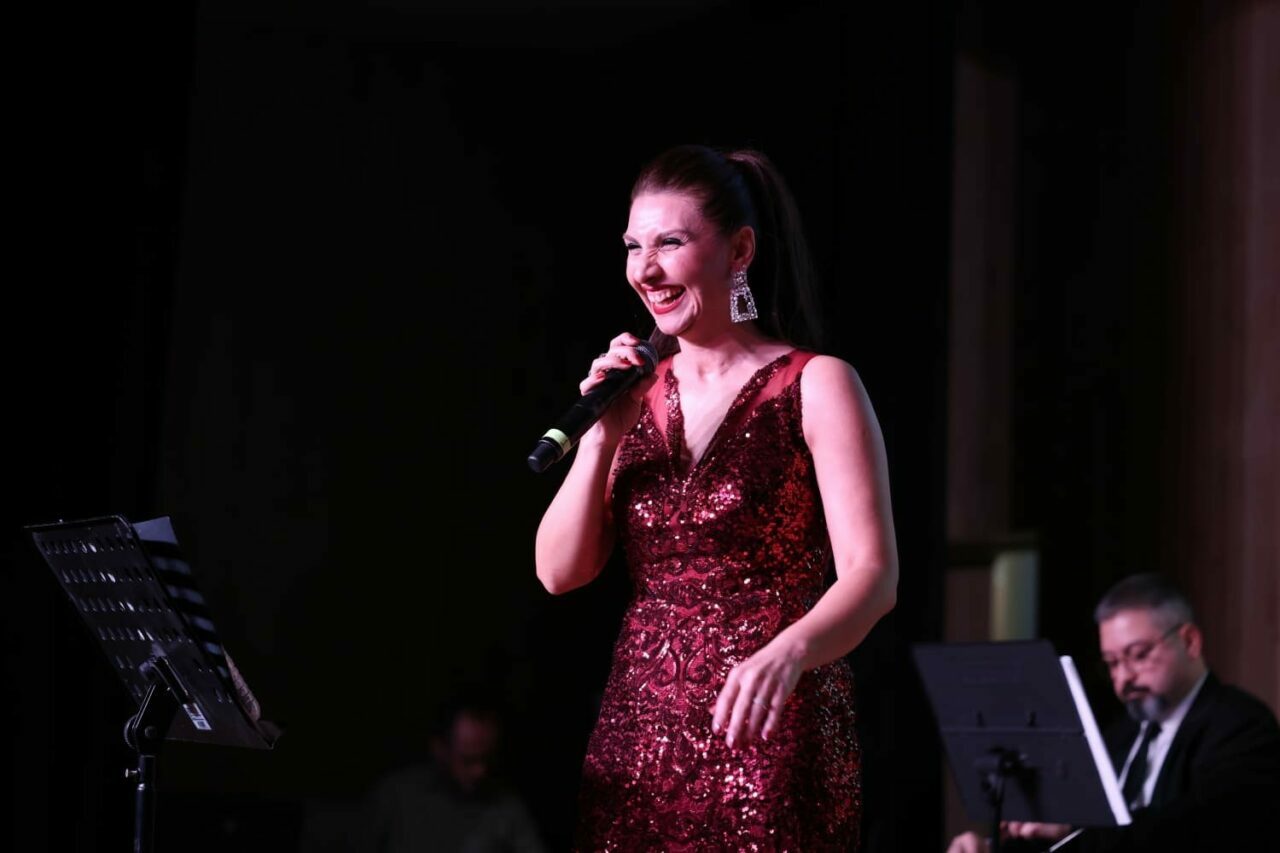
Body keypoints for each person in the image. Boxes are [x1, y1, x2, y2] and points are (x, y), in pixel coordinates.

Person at [534, 143, 899, 850]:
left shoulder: (816, 383)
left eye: (670, 243)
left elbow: (873, 575)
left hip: (770, 727)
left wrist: (790, 651)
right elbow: (557, 572)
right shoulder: (635, 394)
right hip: (640, 733)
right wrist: (604, 435)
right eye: (633, 247)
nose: (645, 270)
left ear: (739, 250)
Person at [946, 573, 1280, 853]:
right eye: (1112, 663)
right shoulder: (1119, 735)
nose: (1123, 678)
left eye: (1138, 655)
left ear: (1190, 641)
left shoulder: (1244, 727)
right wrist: (991, 847)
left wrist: (1076, 826)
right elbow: (1068, 837)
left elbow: (1190, 830)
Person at [360, 688, 547, 853]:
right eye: (468, 760)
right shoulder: (396, 796)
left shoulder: (507, 809)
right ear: (440, 749)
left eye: (487, 759)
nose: (480, 771)